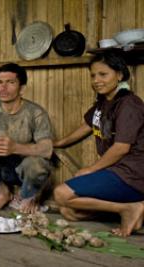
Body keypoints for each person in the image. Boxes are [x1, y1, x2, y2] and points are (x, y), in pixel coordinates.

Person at [53, 52, 144, 237]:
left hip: (132, 174)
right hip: (115, 172)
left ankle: (129, 209)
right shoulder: (103, 104)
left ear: (119, 75)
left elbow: (121, 148)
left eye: (103, 74)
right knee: (69, 212)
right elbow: (86, 126)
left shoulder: (129, 104)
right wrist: (59, 143)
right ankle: (130, 210)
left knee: (61, 194)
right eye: (93, 75)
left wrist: (91, 169)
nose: (96, 80)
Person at [0, 63, 53, 214]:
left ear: (22, 88)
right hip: (1, 168)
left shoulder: (35, 112)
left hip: (25, 169)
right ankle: (3, 193)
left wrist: (16, 148)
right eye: (0, 82)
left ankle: (29, 196)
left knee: (37, 164)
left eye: (10, 82)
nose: (3, 88)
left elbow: (47, 149)